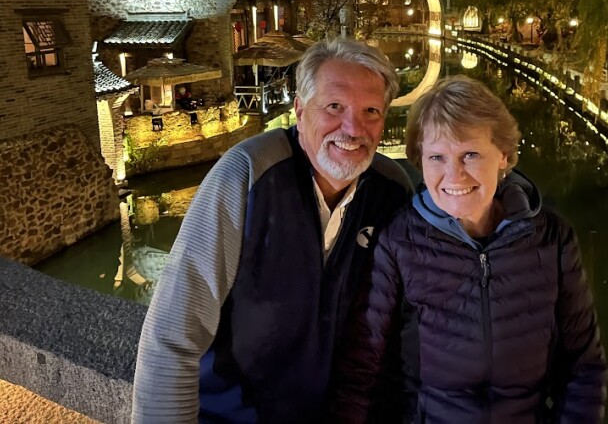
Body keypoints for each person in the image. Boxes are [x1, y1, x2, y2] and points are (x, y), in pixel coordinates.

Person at [132, 39, 413, 423]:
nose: (353, 128)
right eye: (334, 107)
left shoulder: (392, 190)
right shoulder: (248, 174)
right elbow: (173, 335)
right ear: (299, 109)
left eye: (371, 111)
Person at [330, 76, 608, 423]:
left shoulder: (552, 239)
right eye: (436, 157)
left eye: (471, 154)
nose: (454, 175)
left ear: (503, 155)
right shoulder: (400, 240)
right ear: (420, 161)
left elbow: (584, 366)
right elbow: (362, 365)